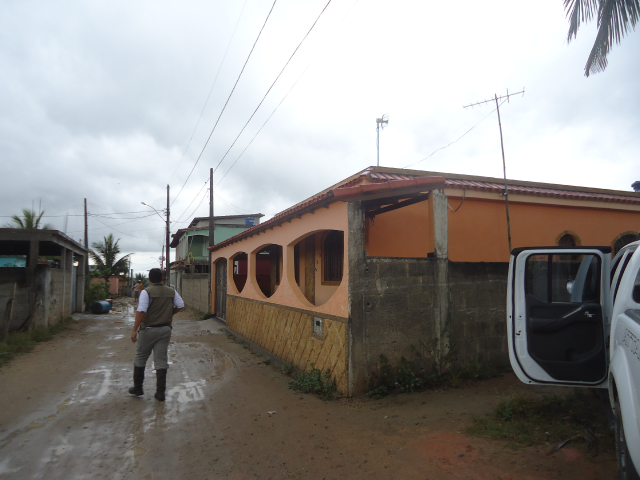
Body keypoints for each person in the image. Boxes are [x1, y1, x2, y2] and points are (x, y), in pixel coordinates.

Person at [128, 268, 184, 401]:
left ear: (150, 279)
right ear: (162, 278)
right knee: (161, 360)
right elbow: (181, 305)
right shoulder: (171, 291)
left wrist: (134, 330)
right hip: (165, 330)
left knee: (141, 357)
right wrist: (169, 313)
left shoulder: (146, 292)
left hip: (148, 329)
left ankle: (138, 388)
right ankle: (160, 393)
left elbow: (141, 311)